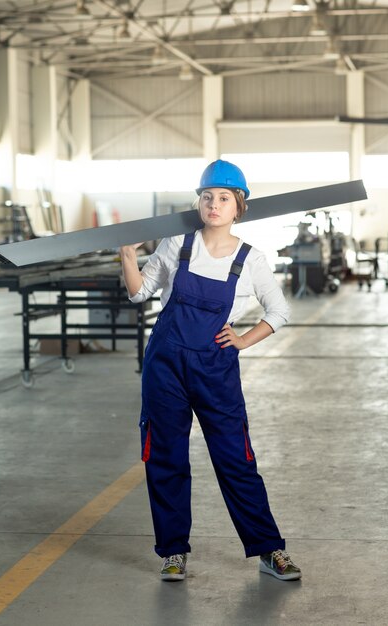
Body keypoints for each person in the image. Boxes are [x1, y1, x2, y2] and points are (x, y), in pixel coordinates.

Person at [120, 159, 301, 582]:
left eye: (223, 198)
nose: (214, 204)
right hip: (165, 365)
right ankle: (173, 552)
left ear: (239, 206)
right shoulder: (176, 244)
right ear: (198, 203)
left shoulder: (249, 258)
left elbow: (280, 311)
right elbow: (139, 293)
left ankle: (269, 549)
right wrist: (128, 254)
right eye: (207, 197)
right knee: (164, 457)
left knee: (235, 458)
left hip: (215, 370)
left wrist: (242, 340)